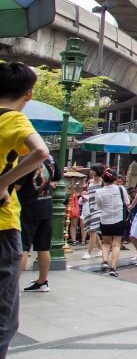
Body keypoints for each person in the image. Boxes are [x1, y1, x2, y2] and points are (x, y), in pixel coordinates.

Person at [0, 62, 51, 356]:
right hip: (4, 224)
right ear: (28, 94)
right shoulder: (15, 120)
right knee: (4, 314)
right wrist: (4, 182)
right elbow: (40, 152)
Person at [17, 161, 53, 293]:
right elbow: (57, 176)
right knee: (43, 246)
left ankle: (13, 286)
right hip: (46, 206)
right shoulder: (49, 159)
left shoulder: (25, 159)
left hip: (28, 208)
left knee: (22, 246)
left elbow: (16, 186)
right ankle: (42, 281)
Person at [94, 169, 129, 277]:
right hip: (118, 219)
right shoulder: (120, 189)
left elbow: (98, 206)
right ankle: (113, 268)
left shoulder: (99, 191)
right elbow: (127, 202)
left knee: (106, 243)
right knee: (116, 244)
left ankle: (105, 261)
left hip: (105, 219)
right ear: (114, 178)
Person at [82, 164, 104, 260]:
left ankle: (89, 252)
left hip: (99, 208)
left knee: (92, 230)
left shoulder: (103, 183)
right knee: (91, 230)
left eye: (93, 170)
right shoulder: (90, 182)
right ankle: (101, 248)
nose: (91, 172)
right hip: (89, 207)